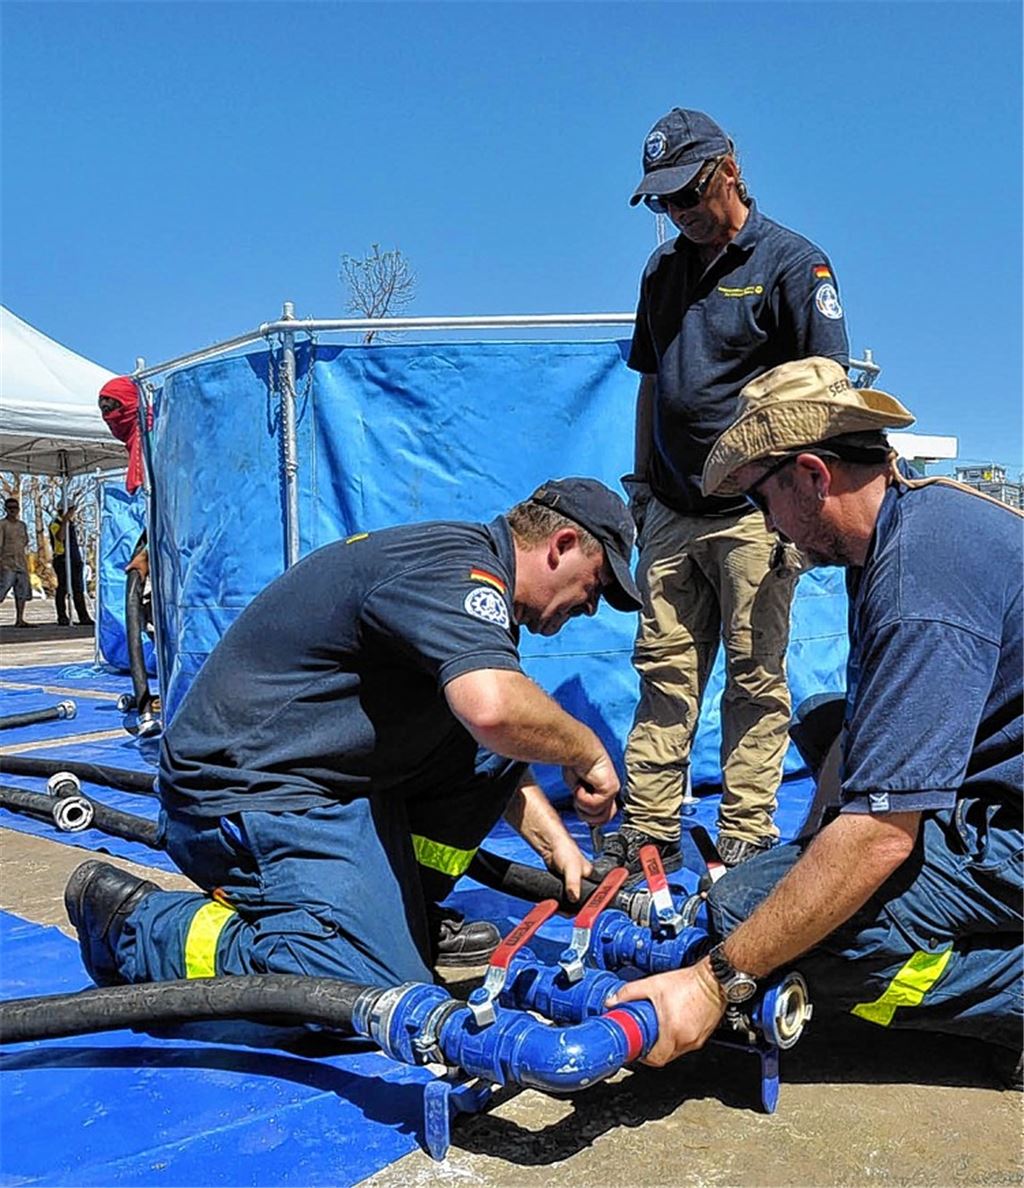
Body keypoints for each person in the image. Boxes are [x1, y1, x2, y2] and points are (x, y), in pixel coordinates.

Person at [611, 357, 1022, 1082]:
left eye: (761, 498)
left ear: (811, 474)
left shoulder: (917, 582)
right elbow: (863, 724)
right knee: (822, 725)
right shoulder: (908, 523)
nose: (763, 522)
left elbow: (879, 841)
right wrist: (802, 856)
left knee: (754, 923)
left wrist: (716, 983)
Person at [65, 478, 644, 990]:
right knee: (370, 987)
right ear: (561, 546)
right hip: (241, 795)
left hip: (311, 776)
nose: (591, 608)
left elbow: (489, 742)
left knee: (503, 740)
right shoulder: (457, 573)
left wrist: (557, 848)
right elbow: (492, 708)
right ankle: (136, 929)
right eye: (595, 585)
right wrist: (588, 750)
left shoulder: (462, 574)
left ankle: (406, 911)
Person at [598, 107, 850, 877]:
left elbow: (828, 392)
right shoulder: (662, 272)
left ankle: (743, 832)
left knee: (755, 679)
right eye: (663, 203)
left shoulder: (792, 265)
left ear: (728, 172)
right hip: (672, 511)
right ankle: (649, 828)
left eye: (687, 196)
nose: (677, 215)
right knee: (664, 675)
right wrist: (641, 490)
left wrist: (797, 508)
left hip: (755, 517)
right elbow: (650, 386)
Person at [49, 504, 94, 627]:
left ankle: (83, 616)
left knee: (78, 589)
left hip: (74, 559)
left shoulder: (72, 524)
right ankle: (62, 616)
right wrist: (65, 521)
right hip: (62, 559)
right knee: (63, 588)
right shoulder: (56, 524)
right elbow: (60, 537)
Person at [0, 495, 34, 628]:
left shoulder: (22, 525)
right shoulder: (2, 525)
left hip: (21, 562)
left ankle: (20, 619)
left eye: (15, 508)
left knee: (22, 592)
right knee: (3, 589)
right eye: (10, 508)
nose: (13, 510)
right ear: (6, 509)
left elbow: (25, 541)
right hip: (7, 562)